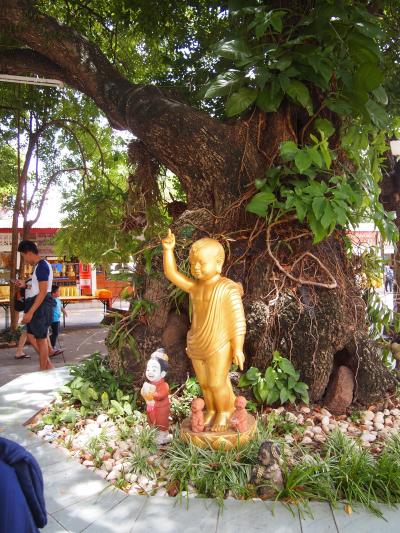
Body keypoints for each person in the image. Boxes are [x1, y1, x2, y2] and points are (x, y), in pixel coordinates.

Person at [15, 240, 54, 371]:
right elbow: (37, 287)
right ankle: (47, 364)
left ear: (29, 253)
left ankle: (44, 370)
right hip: (37, 303)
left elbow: (43, 292)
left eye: (24, 256)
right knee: (31, 336)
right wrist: (25, 285)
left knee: (41, 339)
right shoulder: (38, 266)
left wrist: (30, 312)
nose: (25, 260)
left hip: (40, 304)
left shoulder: (42, 266)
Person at [49, 284, 66, 355]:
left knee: (55, 333)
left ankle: (49, 344)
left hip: (57, 319)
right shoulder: (51, 300)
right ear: (53, 293)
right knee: (55, 333)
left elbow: (61, 307)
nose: (59, 293)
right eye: (58, 291)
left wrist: (64, 312)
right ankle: (51, 347)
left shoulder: (58, 300)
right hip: (52, 319)